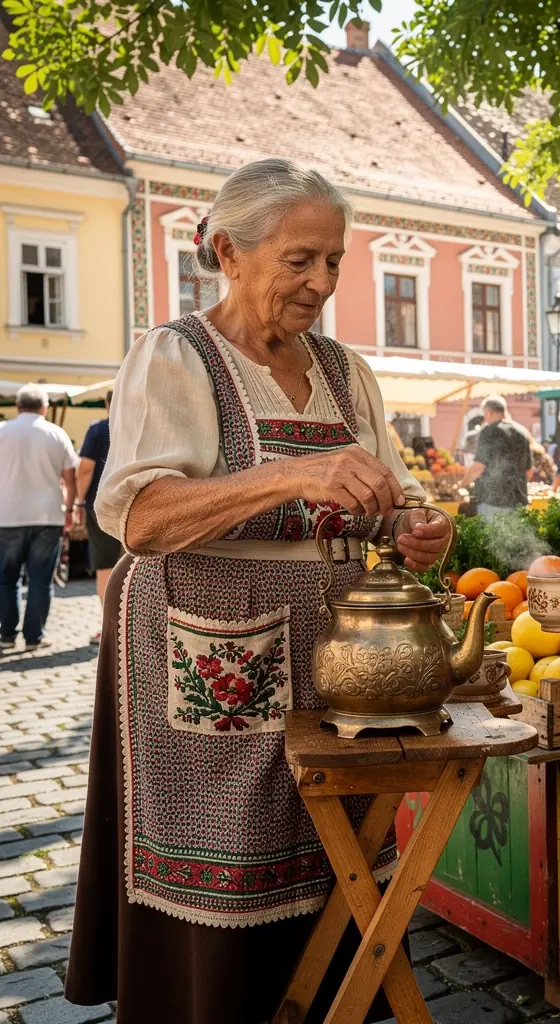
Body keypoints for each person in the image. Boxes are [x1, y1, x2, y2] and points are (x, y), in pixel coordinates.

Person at [64, 158, 451, 1024]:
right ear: (228, 252)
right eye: (300, 260)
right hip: (212, 662)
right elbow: (144, 518)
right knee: (231, 866)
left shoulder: (347, 372)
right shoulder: (178, 356)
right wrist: (291, 476)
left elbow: (390, 501)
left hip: (344, 664)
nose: (321, 283)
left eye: (334, 262)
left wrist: (415, 529)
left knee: (338, 856)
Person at [0, 384, 78, 653]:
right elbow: (71, 477)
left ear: (18, 406)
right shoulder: (57, 434)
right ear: (44, 408)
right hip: (47, 515)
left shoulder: (2, 432)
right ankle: (34, 637)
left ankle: (7, 635)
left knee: (7, 579)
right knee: (40, 579)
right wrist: (70, 510)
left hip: (7, 515)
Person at [74, 391, 122, 645]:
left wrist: (80, 500)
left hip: (101, 504)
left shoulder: (98, 429)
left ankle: (108, 628)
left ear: (106, 404)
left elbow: (85, 469)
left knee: (104, 566)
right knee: (135, 565)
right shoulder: (140, 422)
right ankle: (130, 625)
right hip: (136, 503)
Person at [461, 395, 531, 519]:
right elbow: (529, 471)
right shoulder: (521, 432)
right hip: (518, 501)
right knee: (515, 537)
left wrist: (463, 484)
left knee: (492, 537)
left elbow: (478, 467)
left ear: (489, 412)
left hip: (492, 500)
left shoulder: (488, 431)